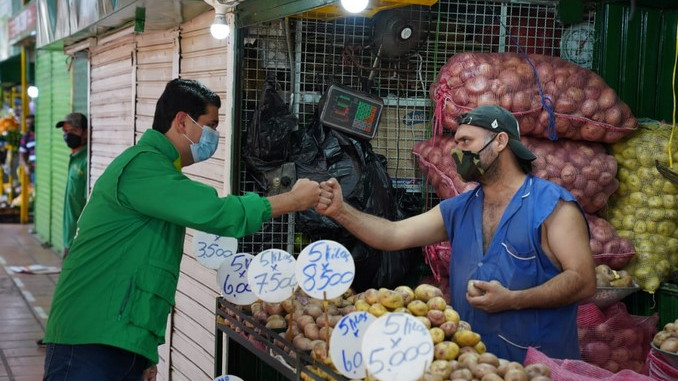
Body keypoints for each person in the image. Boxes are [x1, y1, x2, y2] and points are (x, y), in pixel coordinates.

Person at [42, 78, 326, 381]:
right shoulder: (142, 167)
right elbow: (217, 212)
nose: (214, 135)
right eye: (211, 125)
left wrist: (143, 352)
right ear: (182, 121)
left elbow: (143, 271)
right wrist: (294, 199)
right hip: (91, 338)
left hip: (115, 339)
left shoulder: (159, 171)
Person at [316, 105, 596, 362]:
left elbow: (583, 281)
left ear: (500, 142)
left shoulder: (552, 206)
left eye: (466, 141)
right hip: (473, 366)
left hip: (539, 369)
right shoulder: (459, 209)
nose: (456, 152)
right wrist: (340, 210)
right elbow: (392, 234)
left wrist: (513, 300)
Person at [56, 112, 89, 259]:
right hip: (70, 238)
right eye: (66, 131)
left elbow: (88, 205)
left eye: (74, 131)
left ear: (85, 133)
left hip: (80, 240)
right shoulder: (74, 158)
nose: (68, 135)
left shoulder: (87, 161)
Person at [18, 114, 35, 183]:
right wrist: (25, 166)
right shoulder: (26, 137)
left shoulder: (42, 134)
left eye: (32, 123)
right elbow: (22, 154)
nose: (29, 125)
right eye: (28, 123)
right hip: (34, 169)